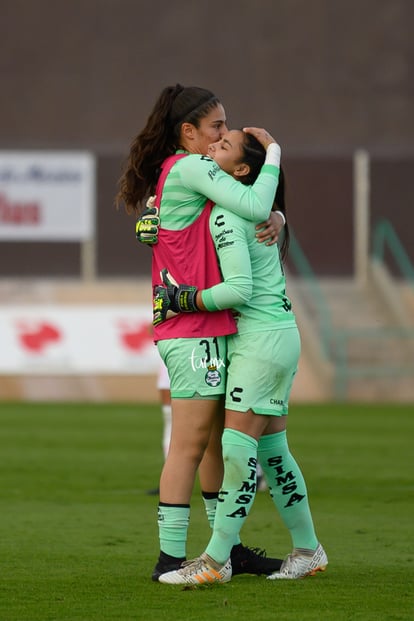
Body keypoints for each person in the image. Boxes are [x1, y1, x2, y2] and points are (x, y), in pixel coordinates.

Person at [116, 84, 284, 581]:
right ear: (187, 131)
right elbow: (250, 203)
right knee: (189, 445)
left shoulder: (181, 170)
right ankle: (169, 558)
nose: (220, 135)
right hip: (189, 326)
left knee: (211, 445)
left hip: (203, 322)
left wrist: (278, 214)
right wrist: (273, 153)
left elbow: (242, 208)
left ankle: (224, 550)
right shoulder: (192, 167)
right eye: (216, 126)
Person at [153, 129, 328, 584]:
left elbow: (239, 290)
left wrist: (184, 300)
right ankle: (308, 549)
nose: (212, 147)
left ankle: (214, 562)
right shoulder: (234, 206)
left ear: (241, 170)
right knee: (273, 452)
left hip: (259, 340)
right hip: (277, 335)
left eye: (223, 145)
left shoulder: (230, 216)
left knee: (235, 448)